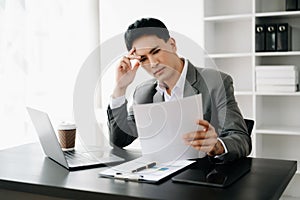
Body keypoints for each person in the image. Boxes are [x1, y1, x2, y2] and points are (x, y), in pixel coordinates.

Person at [107, 17, 251, 163]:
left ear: (172, 44)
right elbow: (120, 140)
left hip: (204, 176)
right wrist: (120, 88)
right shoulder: (143, 93)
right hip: (161, 176)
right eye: (143, 59)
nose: (153, 63)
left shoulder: (215, 83)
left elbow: (241, 139)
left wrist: (217, 146)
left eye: (156, 51)